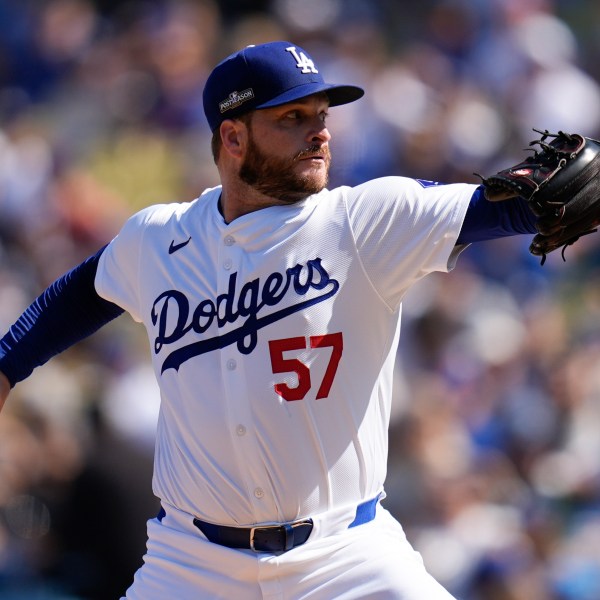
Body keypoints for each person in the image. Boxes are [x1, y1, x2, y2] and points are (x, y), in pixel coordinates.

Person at [0, 41, 540, 599]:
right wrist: (6, 364)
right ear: (232, 138)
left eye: (322, 116)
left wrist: (554, 197)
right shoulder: (159, 238)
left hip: (346, 557)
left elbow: (503, 207)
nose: (320, 132)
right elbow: (81, 294)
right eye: (293, 117)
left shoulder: (364, 221)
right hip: (191, 564)